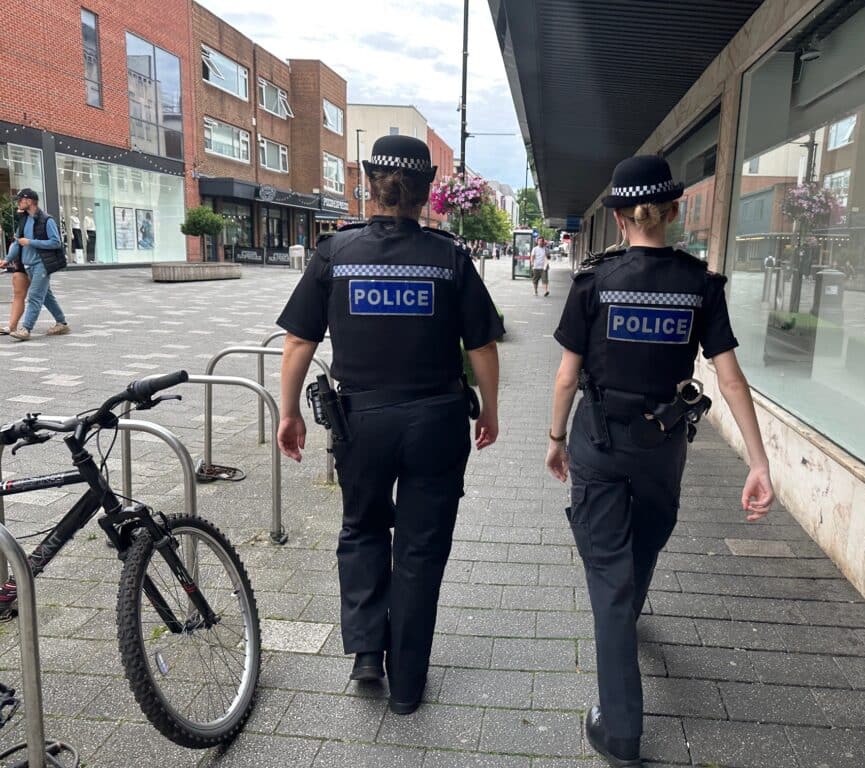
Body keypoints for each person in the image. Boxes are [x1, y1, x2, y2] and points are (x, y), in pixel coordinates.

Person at [545, 156, 775, 767]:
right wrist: (758, 463)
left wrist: (554, 439)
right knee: (643, 543)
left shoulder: (594, 283)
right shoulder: (700, 284)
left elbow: (567, 377)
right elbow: (729, 380)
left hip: (599, 440)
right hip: (662, 444)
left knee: (607, 576)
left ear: (620, 218)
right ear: (673, 212)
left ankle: (619, 728)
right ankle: (629, 608)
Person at [276, 135, 504, 716]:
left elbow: (300, 339)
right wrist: (493, 408)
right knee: (422, 550)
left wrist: (289, 412)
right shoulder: (449, 258)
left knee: (363, 529)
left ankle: (365, 655)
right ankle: (407, 685)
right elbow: (480, 346)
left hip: (362, 423)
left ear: (370, 185)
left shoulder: (335, 254)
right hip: (436, 421)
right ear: (426, 191)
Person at [6, 189, 69, 341]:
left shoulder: (47, 220)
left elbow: (55, 242)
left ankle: (26, 329)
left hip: (42, 264)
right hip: (28, 266)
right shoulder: (23, 220)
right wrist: (7, 259)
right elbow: (17, 243)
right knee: (46, 296)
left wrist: (31, 242)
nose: (18, 202)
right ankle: (62, 323)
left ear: (29, 201)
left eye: (20, 199)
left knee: (34, 295)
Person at [0, 237, 30, 335]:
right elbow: (17, 243)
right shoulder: (21, 226)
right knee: (18, 293)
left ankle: (61, 321)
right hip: (20, 261)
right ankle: (12, 326)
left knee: (42, 296)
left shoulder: (43, 221)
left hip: (36, 262)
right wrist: (7, 259)